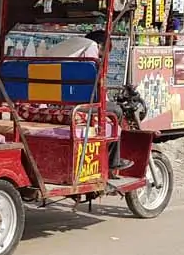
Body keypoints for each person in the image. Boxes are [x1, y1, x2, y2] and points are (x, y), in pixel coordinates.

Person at [50, 30, 133, 174]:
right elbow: (91, 80)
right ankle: (113, 161)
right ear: (100, 45)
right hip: (72, 101)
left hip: (52, 96)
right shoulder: (91, 46)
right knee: (116, 111)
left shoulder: (72, 43)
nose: (100, 57)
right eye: (101, 55)